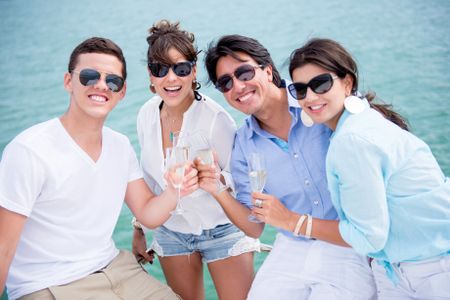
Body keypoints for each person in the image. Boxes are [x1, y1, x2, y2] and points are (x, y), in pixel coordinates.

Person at [0, 37, 199, 300]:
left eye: (112, 80)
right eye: (89, 76)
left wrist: (176, 189)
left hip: (117, 269)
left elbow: (148, 214)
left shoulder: (119, 145)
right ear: (68, 81)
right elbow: (3, 247)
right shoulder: (29, 150)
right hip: (50, 285)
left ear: (122, 91)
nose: (102, 85)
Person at [199, 34, 376, 299]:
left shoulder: (317, 101)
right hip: (293, 246)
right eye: (225, 83)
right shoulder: (244, 145)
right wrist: (216, 189)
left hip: (347, 242)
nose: (237, 86)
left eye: (244, 73)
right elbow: (254, 226)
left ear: (268, 70)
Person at [287, 37, 450, 299]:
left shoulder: (351, 140)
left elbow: (368, 237)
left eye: (321, 84)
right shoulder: (365, 120)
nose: (310, 96)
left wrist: (291, 221)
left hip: (433, 271)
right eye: (300, 89)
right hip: (401, 267)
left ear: (347, 83)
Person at [131, 20, 259, 300]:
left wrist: (214, 178)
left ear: (194, 71)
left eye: (181, 68)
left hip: (222, 230)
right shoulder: (146, 115)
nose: (171, 78)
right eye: (160, 69)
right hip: (171, 231)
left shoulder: (217, 121)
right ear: (150, 75)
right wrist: (139, 227)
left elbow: (242, 186)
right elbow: (149, 181)